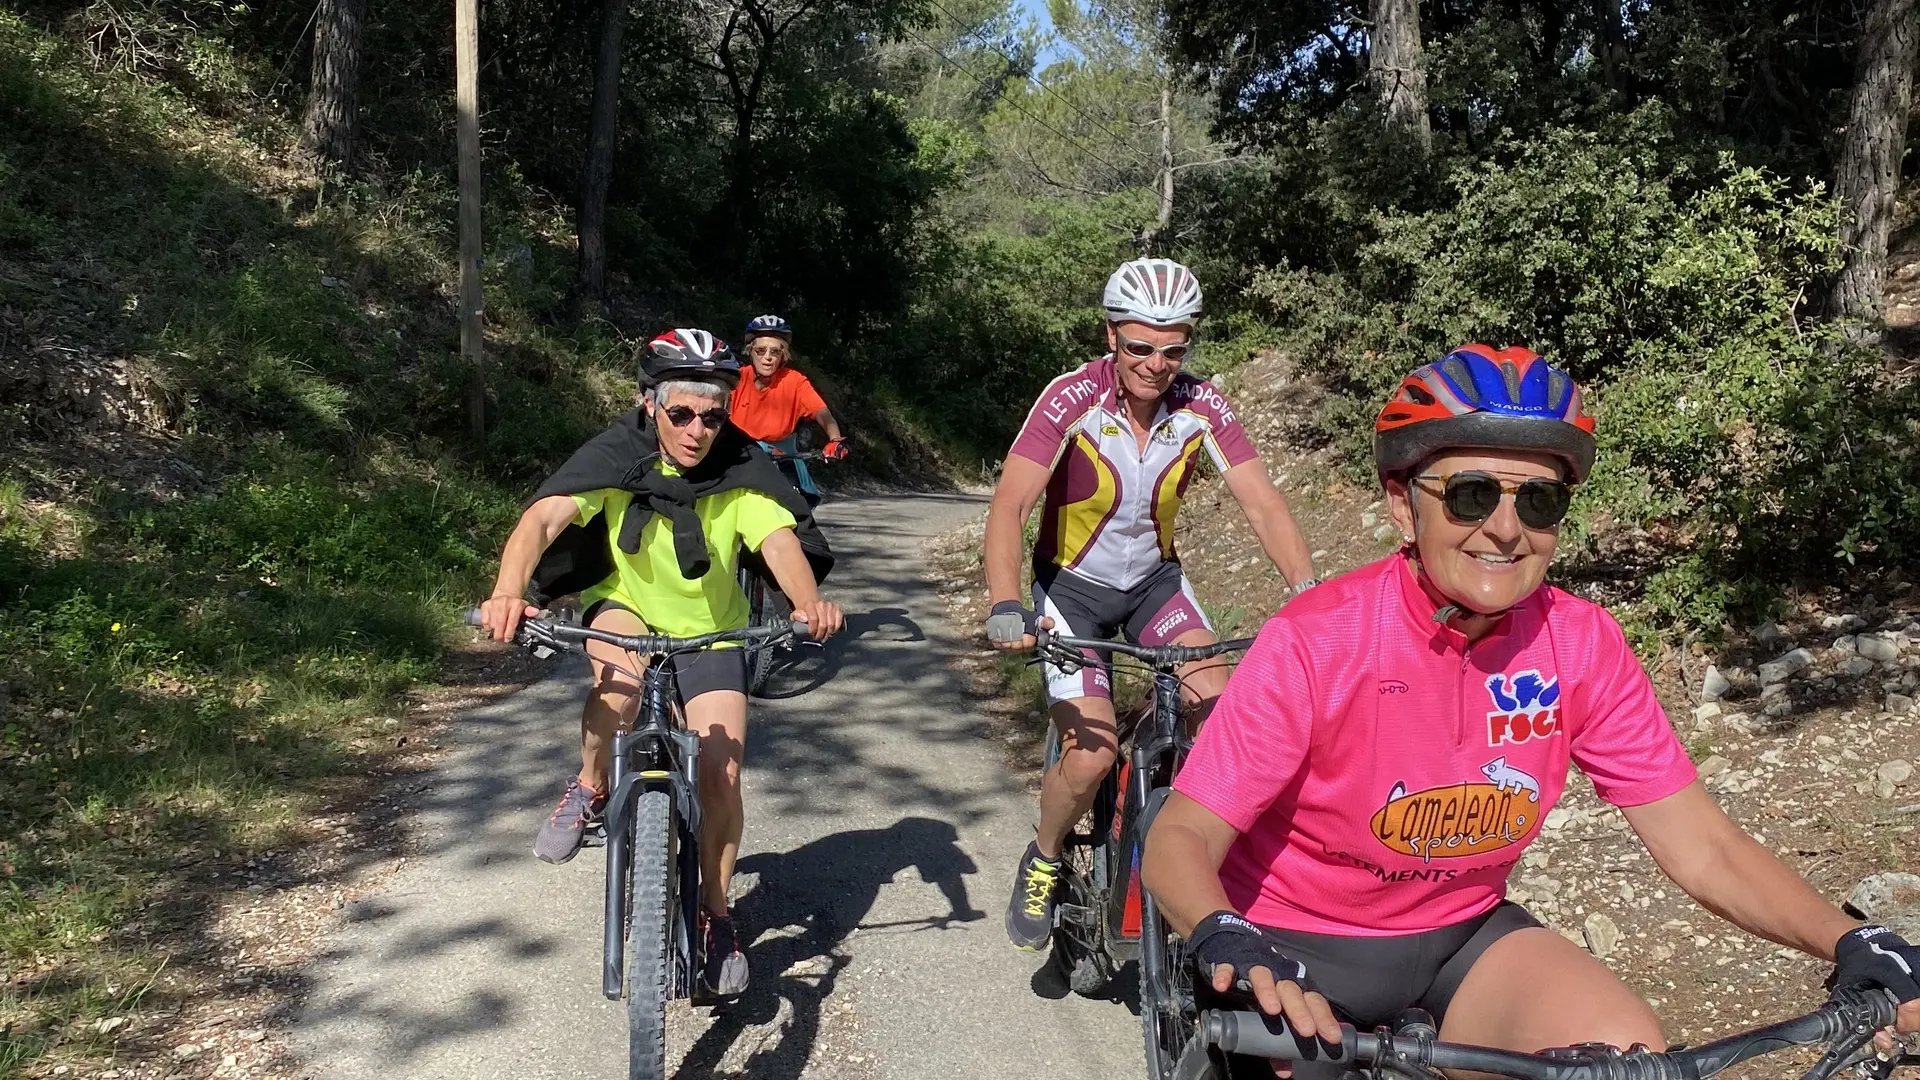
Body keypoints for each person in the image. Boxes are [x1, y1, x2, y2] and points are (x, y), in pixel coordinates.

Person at [1141, 344, 1920, 1076]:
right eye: (1471, 495)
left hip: (1462, 938)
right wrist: (1223, 930)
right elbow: (1181, 834)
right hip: (1293, 944)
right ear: (1403, 506)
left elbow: (1702, 847)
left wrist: (1853, 937)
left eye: (1538, 500)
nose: (1506, 528)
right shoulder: (1318, 640)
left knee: (1622, 1058)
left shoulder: (1581, 645)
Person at [477, 327, 845, 999]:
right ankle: (589, 787)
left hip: (713, 629)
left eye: (712, 414)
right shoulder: (616, 455)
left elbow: (779, 539)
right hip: (627, 608)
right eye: (681, 412)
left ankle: (717, 915)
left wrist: (808, 601)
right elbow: (542, 520)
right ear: (649, 404)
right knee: (616, 690)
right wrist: (507, 592)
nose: (697, 429)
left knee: (721, 770)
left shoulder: (741, 466)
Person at [983, 257, 1319, 952]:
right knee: (1088, 758)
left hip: (1155, 587)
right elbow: (1011, 503)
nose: (1156, 364)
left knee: (1224, 713)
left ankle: (1199, 859)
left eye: (1173, 349)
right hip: (1070, 591)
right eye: (1140, 346)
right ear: (1111, 337)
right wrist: (1005, 602)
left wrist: (1307, 595)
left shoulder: (1204, 405)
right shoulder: (1071, 397)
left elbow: (1263, 503)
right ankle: (1045, 856)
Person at [728, 314, 848, 461]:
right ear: (750, 352)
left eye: (775, 351)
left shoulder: (795, 381)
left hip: (782, 454)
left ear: (783, 356)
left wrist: (835, 440)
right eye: (760, 350)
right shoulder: (735, 378)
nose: (767, 357)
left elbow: (822, 413)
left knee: (804, 484)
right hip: (738, 451)